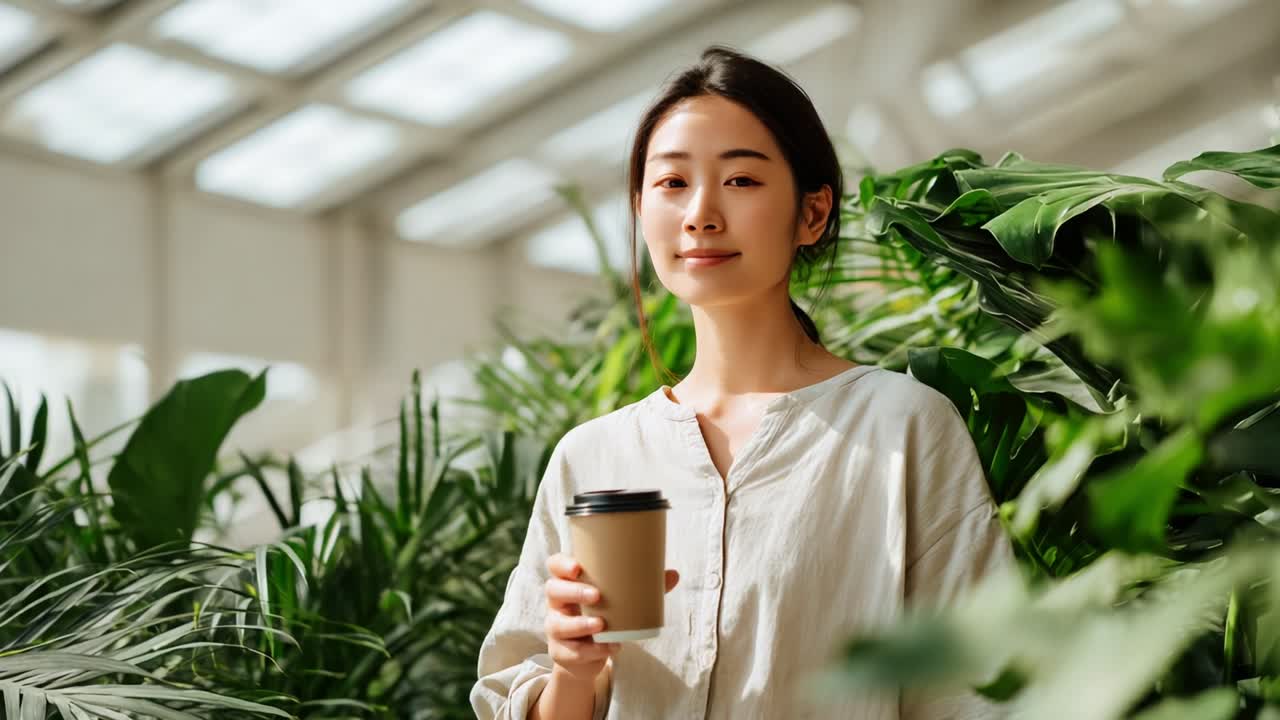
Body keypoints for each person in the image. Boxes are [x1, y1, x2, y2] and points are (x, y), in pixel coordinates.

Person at [471, 45, 1012, 719]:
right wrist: (576, 671)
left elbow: (978, 689)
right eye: (672, 182)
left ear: (812, 214)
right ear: (640, 209)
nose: (700, 213)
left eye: (741, 180)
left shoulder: (901, 428)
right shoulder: (593, 458)